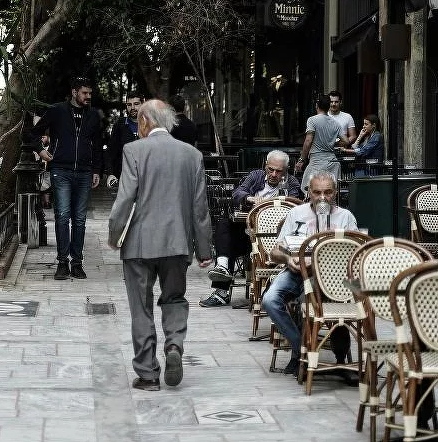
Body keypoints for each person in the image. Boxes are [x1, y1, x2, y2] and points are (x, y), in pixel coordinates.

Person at [107, 99, 212, 390]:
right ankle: (174, 345)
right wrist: (204, 250)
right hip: (178, 243)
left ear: (143, 123)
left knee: (141, 307)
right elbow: (200, 208)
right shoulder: (191, 155)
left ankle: (148, 373)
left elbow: (125, 198)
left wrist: (115, 236)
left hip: (140, 244)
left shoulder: (134, 150)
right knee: (175, 298)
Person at [265, 173, 358, 376]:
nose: (322, 198)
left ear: (335, 193)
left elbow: (356, 252)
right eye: (317, 192)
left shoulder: (345, 217)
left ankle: (334, 358)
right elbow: (275, 251)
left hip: (331, 278)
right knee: (270, 300)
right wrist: (288, 259)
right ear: (309, 192)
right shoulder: (296, 213)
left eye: (328, 192)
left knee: (307, 300)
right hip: (296, 272)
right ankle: (301, 349)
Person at [199, 150, 303, 307]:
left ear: (286, 170)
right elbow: (237, 193)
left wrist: (270, 205)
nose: (274, 174)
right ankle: (222, 271)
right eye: (271, 169)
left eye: (279, 171)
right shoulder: (256, 176)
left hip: (274, 241)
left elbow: (294, 206)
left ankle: (275, 293)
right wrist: (249, 198)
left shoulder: (293, 183)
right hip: (250, 236)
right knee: (225, 227)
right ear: (265, 166)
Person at [27, 79, 103, 281]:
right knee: (62, 216)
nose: (88, 97)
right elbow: (33, 133)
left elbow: (97, 144)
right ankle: (62, 263)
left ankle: (77, 263)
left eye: (90, 93)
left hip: (85, 172)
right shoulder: (57, 111)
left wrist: (97, 170)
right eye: (85, 93)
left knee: (79, 219)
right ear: (74, 92)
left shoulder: (93, 115)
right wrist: (41, 151)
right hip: (61, 170)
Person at [294, 95, 344, 193]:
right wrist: (332, 142)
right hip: (332, 162)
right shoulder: (335, 123)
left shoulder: (312, 120)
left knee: (311, 191)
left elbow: (308, 141)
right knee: (330, 194)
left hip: (317, 162)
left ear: (317, 105)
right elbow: (346, 141)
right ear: (329, 106)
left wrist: (301, 160)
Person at [105, 94, 142, 188]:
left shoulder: (150, 124)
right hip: (124, 178)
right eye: (129, 105)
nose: (132, 107)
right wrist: (110, 174)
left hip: (146, 179)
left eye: (136, 104)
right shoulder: (120, 125)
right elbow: (111, 152)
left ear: (143, 103)